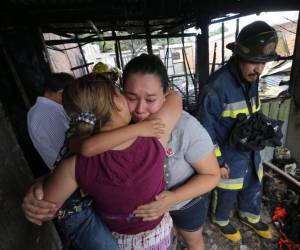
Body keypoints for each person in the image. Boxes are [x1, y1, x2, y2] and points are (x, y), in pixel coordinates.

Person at [22, 54, 220, 250]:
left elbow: (212, 175)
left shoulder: (180, 127)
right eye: (131, 98)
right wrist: (42, 184)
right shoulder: (135, 134)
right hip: (146, 224)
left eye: (151, 99)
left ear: (165, 94)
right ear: (119, 99)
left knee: (193, 241)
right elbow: (83, 158)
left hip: (184, 203)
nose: (141, 109)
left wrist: (173, 199)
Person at [43, 73, 182, 249]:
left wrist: (40, 186)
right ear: (117, 101)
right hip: (161, 237)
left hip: (117, 242)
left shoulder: (75, 164)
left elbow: (46, 207)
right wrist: (138, 129)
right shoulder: (154, 136)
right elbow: (175, 97)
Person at [196, 21, 278, 242]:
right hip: (228, 152)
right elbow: (205, 129)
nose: (258, 69)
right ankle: (221, 220)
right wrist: (218, 161)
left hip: (251, 148)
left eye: (263, 63)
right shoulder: (217, 86)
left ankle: (249, 215)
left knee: (254, 181)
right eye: (253, 62)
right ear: (239, 56)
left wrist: (268, 129)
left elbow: (252, 112)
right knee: (227, 189)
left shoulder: (251, 78)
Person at [27, 72, 74, 169]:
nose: (74, 99)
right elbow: (67, 147)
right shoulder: (45, 113)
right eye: (73, 94)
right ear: (61, 93)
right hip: (68, 169)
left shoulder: (45, 109)